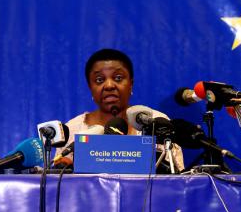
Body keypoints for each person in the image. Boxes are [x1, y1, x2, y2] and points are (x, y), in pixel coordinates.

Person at [56, 48, 184, 172]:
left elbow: (176, 180)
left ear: (131, 84)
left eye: (118, 78)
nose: (109, 85)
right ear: (90, 87)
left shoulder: (156, 122)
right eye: (99, 80)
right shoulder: (72, 130)